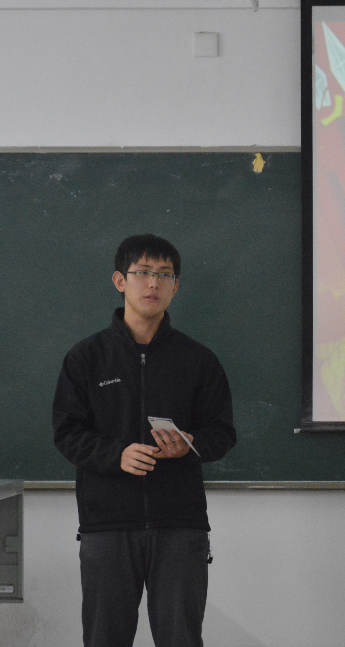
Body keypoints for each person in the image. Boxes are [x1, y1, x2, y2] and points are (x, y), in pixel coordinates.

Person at [53, 234, 236, 647]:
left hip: (180, 525)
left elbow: (222, 433)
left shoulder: (198, 360)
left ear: (176, 287)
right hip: (107, 525)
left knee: (181, 639)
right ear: (120, 280)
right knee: (104, 638)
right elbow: (67, 431)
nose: (153, 283)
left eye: (165, 275)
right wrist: (116, 455)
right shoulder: (87, 358)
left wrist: (189, 444)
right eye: (143, 272)